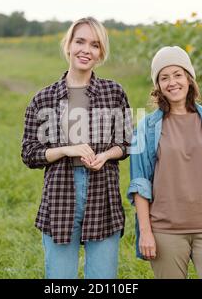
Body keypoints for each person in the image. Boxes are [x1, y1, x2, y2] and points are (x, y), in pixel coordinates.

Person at [21, 17, 132, 279]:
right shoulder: (44, 97)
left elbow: (127, 142)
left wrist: (105, 155)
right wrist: (65, 150)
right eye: (80, 41)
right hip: (60, 196)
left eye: (94, 45)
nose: (86, 50)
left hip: (102, 196)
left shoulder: (113, 92)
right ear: (68, 45)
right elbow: (29, 153)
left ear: (101, 52)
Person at [127, 46, 202, 279]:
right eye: (164, 77)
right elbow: (139, 183)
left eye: (178, 74)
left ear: (189, 79)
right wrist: (146, 232)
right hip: (166, 231)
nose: (172, 82)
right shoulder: (145, 127)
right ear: (158, 85)